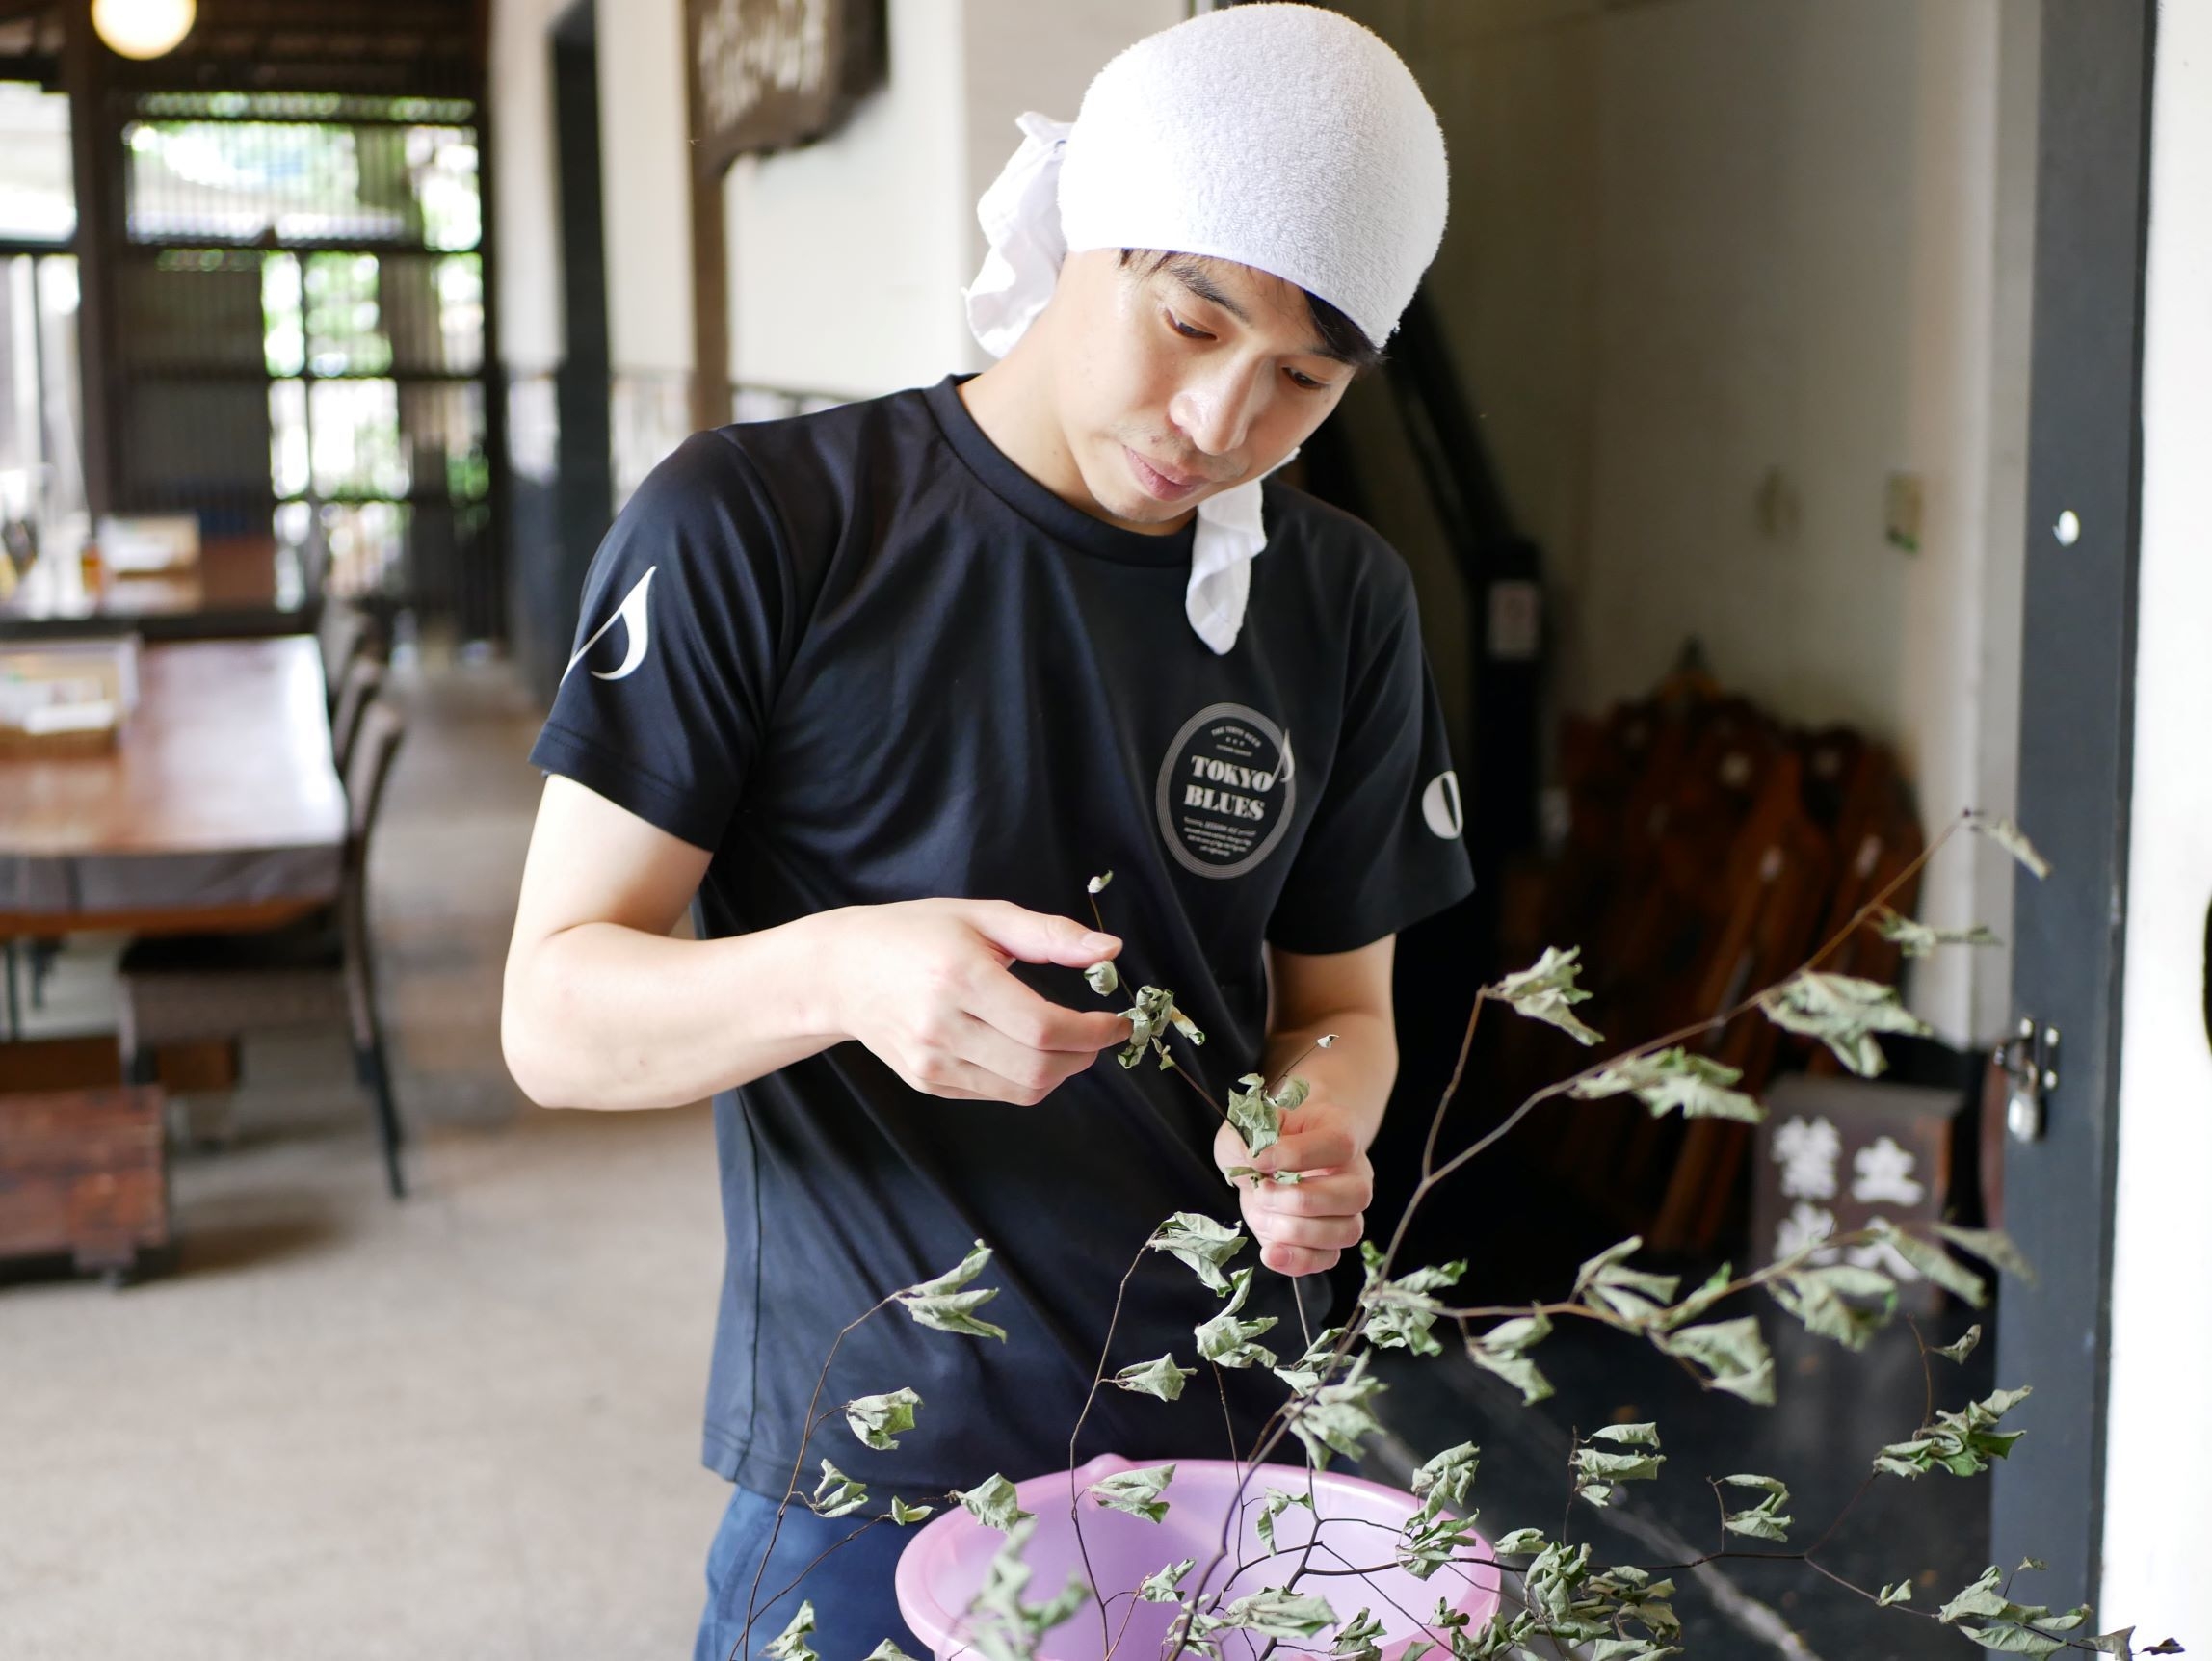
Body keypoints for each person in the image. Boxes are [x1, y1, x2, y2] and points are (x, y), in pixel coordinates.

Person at [500, 6, 1469, 1653]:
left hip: (1227, 1464)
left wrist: (1315, 1129)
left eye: (1303, 380)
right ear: (1082, 228)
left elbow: (1339, 1010)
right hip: (874, 1474)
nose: (1221, 420)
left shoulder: (1341, 602)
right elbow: (554, 1017)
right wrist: (841, 975)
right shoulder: (762, 526)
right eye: (1190, 322)